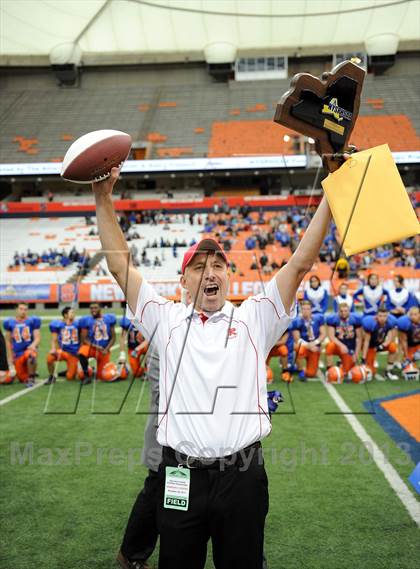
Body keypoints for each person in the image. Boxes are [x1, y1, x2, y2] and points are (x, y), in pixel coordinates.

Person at [92, 165, 337, 569]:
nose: (210, 272)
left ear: (229, 276)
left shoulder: (254, 317)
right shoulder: (166, 319)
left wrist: (331, 192)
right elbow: (121, 267)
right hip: (180, 474)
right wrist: (103, 196)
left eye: (218, 265)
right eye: (198, 266)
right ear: (183, 283)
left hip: (242, 474)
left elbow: (299, 264)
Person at [3, 303, 41, 387]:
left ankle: (32, 377)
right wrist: (10, 357)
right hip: (17, 354)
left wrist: (33, 345)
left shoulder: (32, 321)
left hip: (28, 350)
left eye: (25, 309)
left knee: (31, 355)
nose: (23, 311)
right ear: (16, 309)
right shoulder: (10, 322)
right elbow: (8, 341)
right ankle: (26, 374)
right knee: (21, 378)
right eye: (21, 309)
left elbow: (37, 338)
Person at [78, 303, 116, 382]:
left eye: (95, 308)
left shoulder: (109, 319)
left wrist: (107, 349)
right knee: (82, 352)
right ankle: (86, 375)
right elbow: (84, 339)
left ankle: (93, 370)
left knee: (102, 377)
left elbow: (113, 338)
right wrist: (96, 346)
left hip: (103, 350)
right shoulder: (86, 320)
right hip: (92, 348)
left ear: (100, 308)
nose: (93, 310)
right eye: (91, 308)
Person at [46, 306, 82, 384]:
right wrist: (53, 348)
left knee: (70, 377)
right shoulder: (58, 324)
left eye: (74, 312)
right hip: (62, 351)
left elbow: (83, 338)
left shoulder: (78, 324)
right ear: (65, 315)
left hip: (73, 353)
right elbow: (54, 339)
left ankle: (85, 370)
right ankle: (52, 376)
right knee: (49, 358)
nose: (74, 314)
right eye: (71, 313)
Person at [292, 300, 326, 380]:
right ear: (301, 310)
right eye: (303, 309)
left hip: (314, 347)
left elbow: (323, 334)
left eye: (308, 309)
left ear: (311, 310)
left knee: (311, 374)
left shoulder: (318, 318)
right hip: (304, 346)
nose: (305, 311)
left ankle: (303, 368)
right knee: (298, 348)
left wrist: (315, 343)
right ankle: (300, 370)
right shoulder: (297, 321)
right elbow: (297, 339)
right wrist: (308, 346)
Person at [361, 308, 399, 380]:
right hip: (371, 347)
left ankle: (388, 371)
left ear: (387, 316)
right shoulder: (371, 324)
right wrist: (363, 358)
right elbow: (366, 341)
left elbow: (389, 338)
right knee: (371, 372)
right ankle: (368, 364)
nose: (382, 318)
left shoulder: (389, 323)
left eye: (384, 316)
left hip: (380, 345)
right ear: (376, 316)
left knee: (393, 346)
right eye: (380, 316)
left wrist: (382, 346)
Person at [326, 303, 362, 375]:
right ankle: (329, 369)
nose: (343, 313)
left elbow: (359, 338)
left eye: (345, 311)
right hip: (338, 346)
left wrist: (356, 354)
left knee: (346, 372)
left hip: (350, 348)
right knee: (330, 345)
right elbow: (331, 336)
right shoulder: (333, 319)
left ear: (349, 311)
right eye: (341, 311)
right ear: (338, 311)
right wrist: (341, 345)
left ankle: (341, 364)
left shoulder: (355, 319)